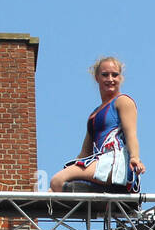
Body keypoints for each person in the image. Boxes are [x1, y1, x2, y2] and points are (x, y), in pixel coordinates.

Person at [49, 56, 145, 192]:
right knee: (56, 184)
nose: (110, 79)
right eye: (105, 75)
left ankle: (103, 193)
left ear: (121, 78)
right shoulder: (94, 115)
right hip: (99, 162)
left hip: (114, 163)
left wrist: (135, 158)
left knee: (58, 180)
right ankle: (95, 197)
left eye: (115, 75)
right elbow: (84, 154)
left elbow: (131, 135)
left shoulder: (123, 101)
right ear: (97, 78)